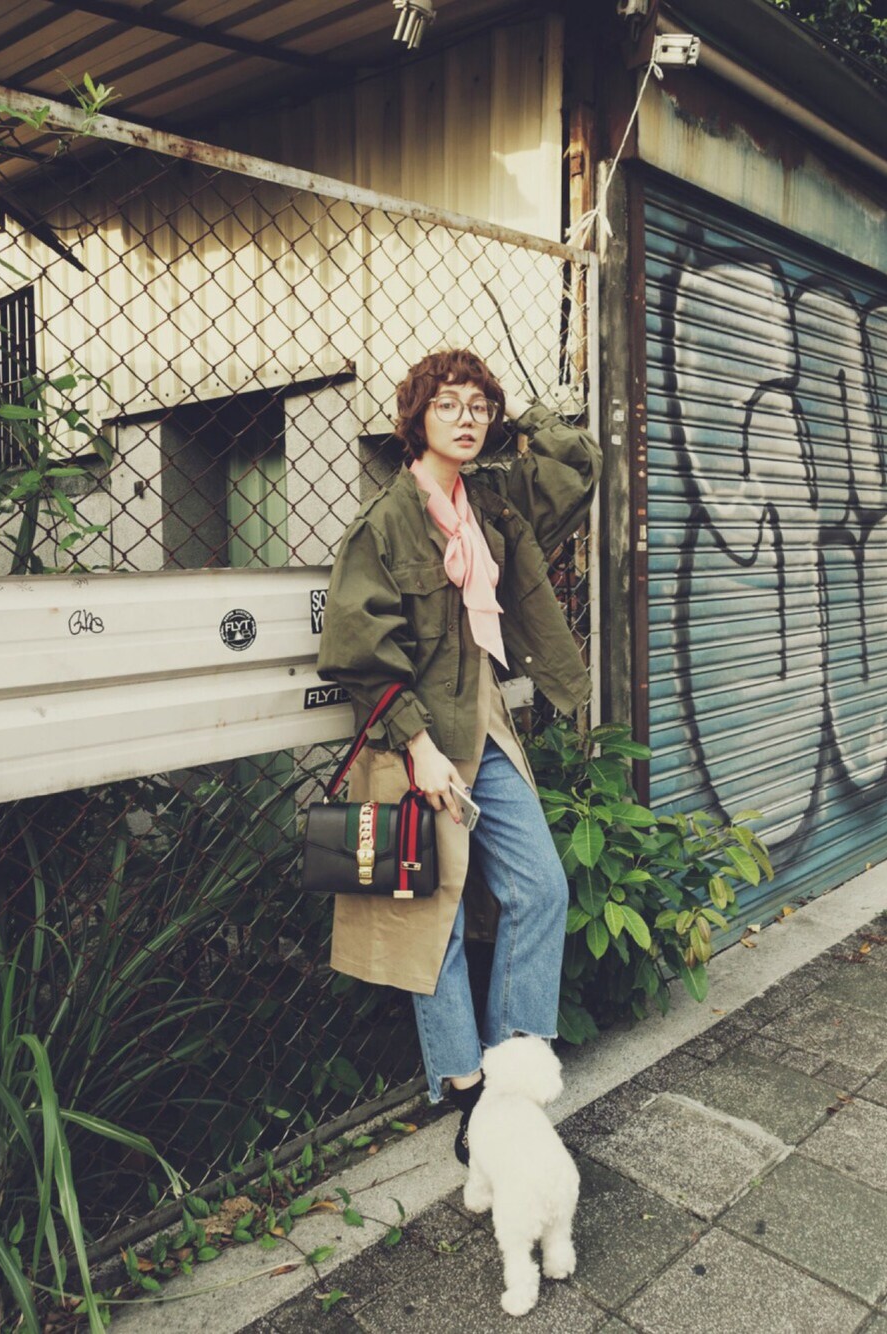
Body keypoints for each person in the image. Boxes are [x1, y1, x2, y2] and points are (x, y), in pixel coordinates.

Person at [317, 348, 601, 1162]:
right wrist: (418, 748)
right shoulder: (385, 524)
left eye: (480, 406)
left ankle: (512, 1075)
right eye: (448, 404)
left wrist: (524, 422)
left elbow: (577, 467)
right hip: (415, 741)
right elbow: (357, 649)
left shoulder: (495, 506)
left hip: (484, 729)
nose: (467, 418)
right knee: (428, 917)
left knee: (539, 887)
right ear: (415, 419)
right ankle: (470, 1092)